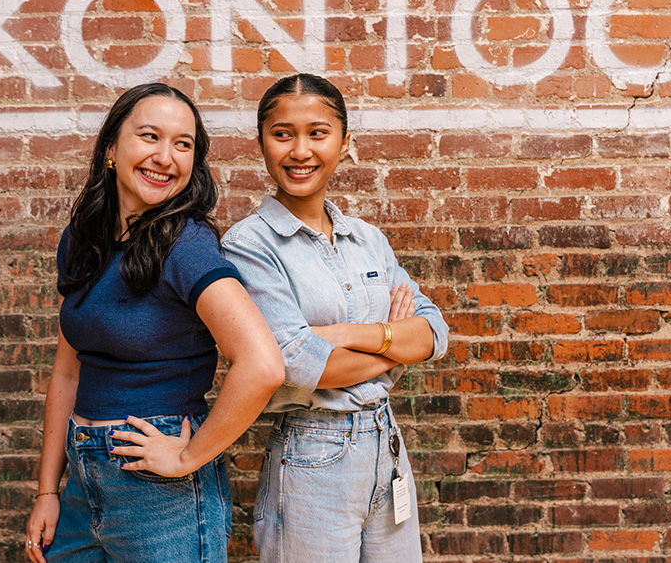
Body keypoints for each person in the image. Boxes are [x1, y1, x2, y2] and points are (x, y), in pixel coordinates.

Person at [25, 83, 285, 563]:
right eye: (149, 137)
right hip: (84, 483)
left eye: (183, 144)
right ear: (111, 149)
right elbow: (68, 371)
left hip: (160, 494)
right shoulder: (82, 241)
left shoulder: (186, 246)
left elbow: (262, 363)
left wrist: (187, 457)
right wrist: (48, 491)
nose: (166, 157)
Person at [221, 73, 449, 562]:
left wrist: (347, 335)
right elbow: (297, 363)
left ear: (345, 143)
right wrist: (392, 350)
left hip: (386, 448)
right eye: (283, 134)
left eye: (318, 133)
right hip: (312, 455)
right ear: (261, 143)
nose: (300, 150)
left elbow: (434, 331)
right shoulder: (249, 245)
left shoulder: (368, 239)